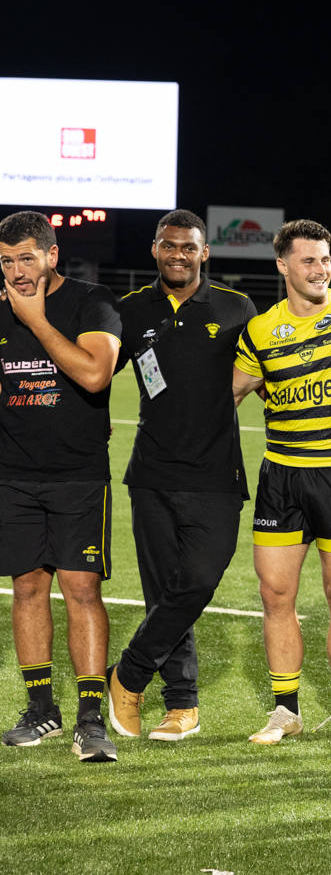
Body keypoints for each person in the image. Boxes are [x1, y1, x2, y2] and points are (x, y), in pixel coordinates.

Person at [104, 209, 258, 743]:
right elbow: (97, 373)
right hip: (150, 474)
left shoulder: (238, 308)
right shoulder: (129, 310)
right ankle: (181, 705)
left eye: (188, 247)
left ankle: (128, 673)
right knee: (161, 591)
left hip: (217, 474)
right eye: (169, 245)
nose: (178, 254)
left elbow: (269, 378)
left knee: (196, 582)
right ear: (154, 249)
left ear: (204, 253)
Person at [231, 219, 331, 745]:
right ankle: (285, 709)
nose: (321, 270)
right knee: (276, 594)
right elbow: (228, 395)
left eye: (325, 259)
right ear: (283, 266)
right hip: (281, 477)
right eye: (309, 261)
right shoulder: (259, 331)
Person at [0, 211, 122, 762]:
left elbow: (95, 374)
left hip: (77, 477)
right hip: (13, 477)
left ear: (51, 255)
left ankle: (91, 719)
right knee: (26, 588)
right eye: (6, 261)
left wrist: (37, 320)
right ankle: (41, 708)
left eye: (27, 257)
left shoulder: (91, 302)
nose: (17, 271)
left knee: (80, 589)